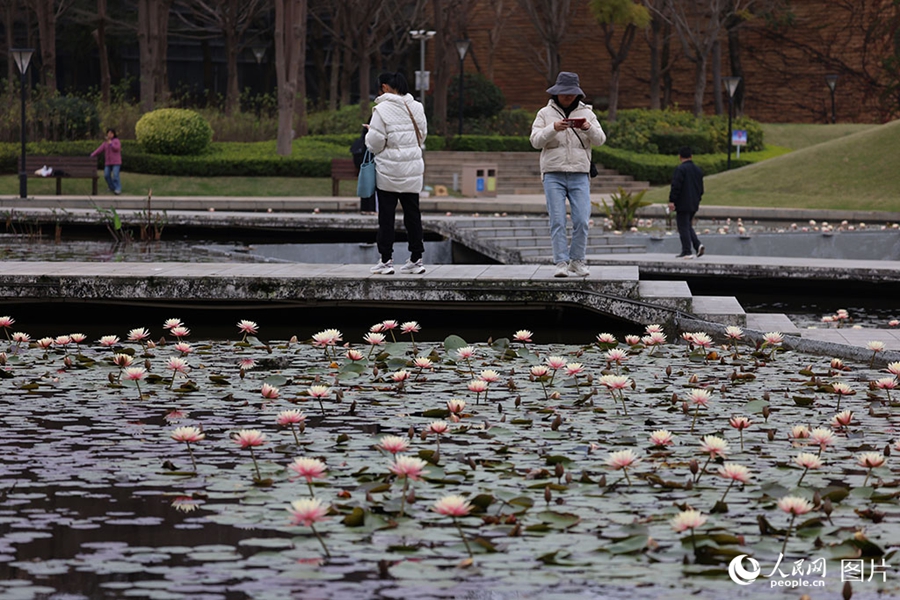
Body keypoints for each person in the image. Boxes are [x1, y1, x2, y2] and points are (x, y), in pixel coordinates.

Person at [530, 71, 606, 278]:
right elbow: (535, 141)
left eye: (571, 93)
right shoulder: (544, 113)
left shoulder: (588, 113)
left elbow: (600, 140)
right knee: (558, 220)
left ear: (577, 94)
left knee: (582, 219)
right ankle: (561, 262)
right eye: (564, 93)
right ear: (556, 92)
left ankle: (577, 260)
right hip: (553, 174)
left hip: (580, 174)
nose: (567, 97)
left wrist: (588, 128)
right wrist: (552, 128)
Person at [365, 72, 428, 275]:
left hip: (389, 171)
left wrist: (369, 134)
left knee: (386, 217)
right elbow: (423, 134)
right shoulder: (416, 107)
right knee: (413, 215)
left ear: (384, 87)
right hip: (412, 169)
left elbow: (375, 143)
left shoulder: (381, 109)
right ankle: (416, 259)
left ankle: (386, 260)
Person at [668, 146, 705, 259]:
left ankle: (687, 251)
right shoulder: (698, 170)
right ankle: (698, 245)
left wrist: (672, 200)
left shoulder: (680, 169)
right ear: (691, 156)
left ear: (680, 157)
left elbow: (676, 186)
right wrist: (697, 199)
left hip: (682, 203)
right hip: (694, 203)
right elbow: (701, 189)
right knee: (687, 225)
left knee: (683, 226)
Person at [350, 126, 376, 214]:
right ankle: (372, 208)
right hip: (372, 164)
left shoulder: (361, 140)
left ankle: (365, 208)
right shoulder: (370, 139)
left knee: (366, 184)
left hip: (364, 166)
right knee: (373, 185)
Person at [91, 128, 122, 195]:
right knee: (106, 175)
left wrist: (111, 144)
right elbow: (99, 149)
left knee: (115, 175)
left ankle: (118, 188)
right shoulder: (105, 143)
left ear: (113, 134)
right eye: (108, 133)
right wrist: (92, 155)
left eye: (111, 133)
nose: (109, 135)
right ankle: (112, 187)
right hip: (108, 162)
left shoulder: (116, 141)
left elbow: (117, 148)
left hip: (116, 162)